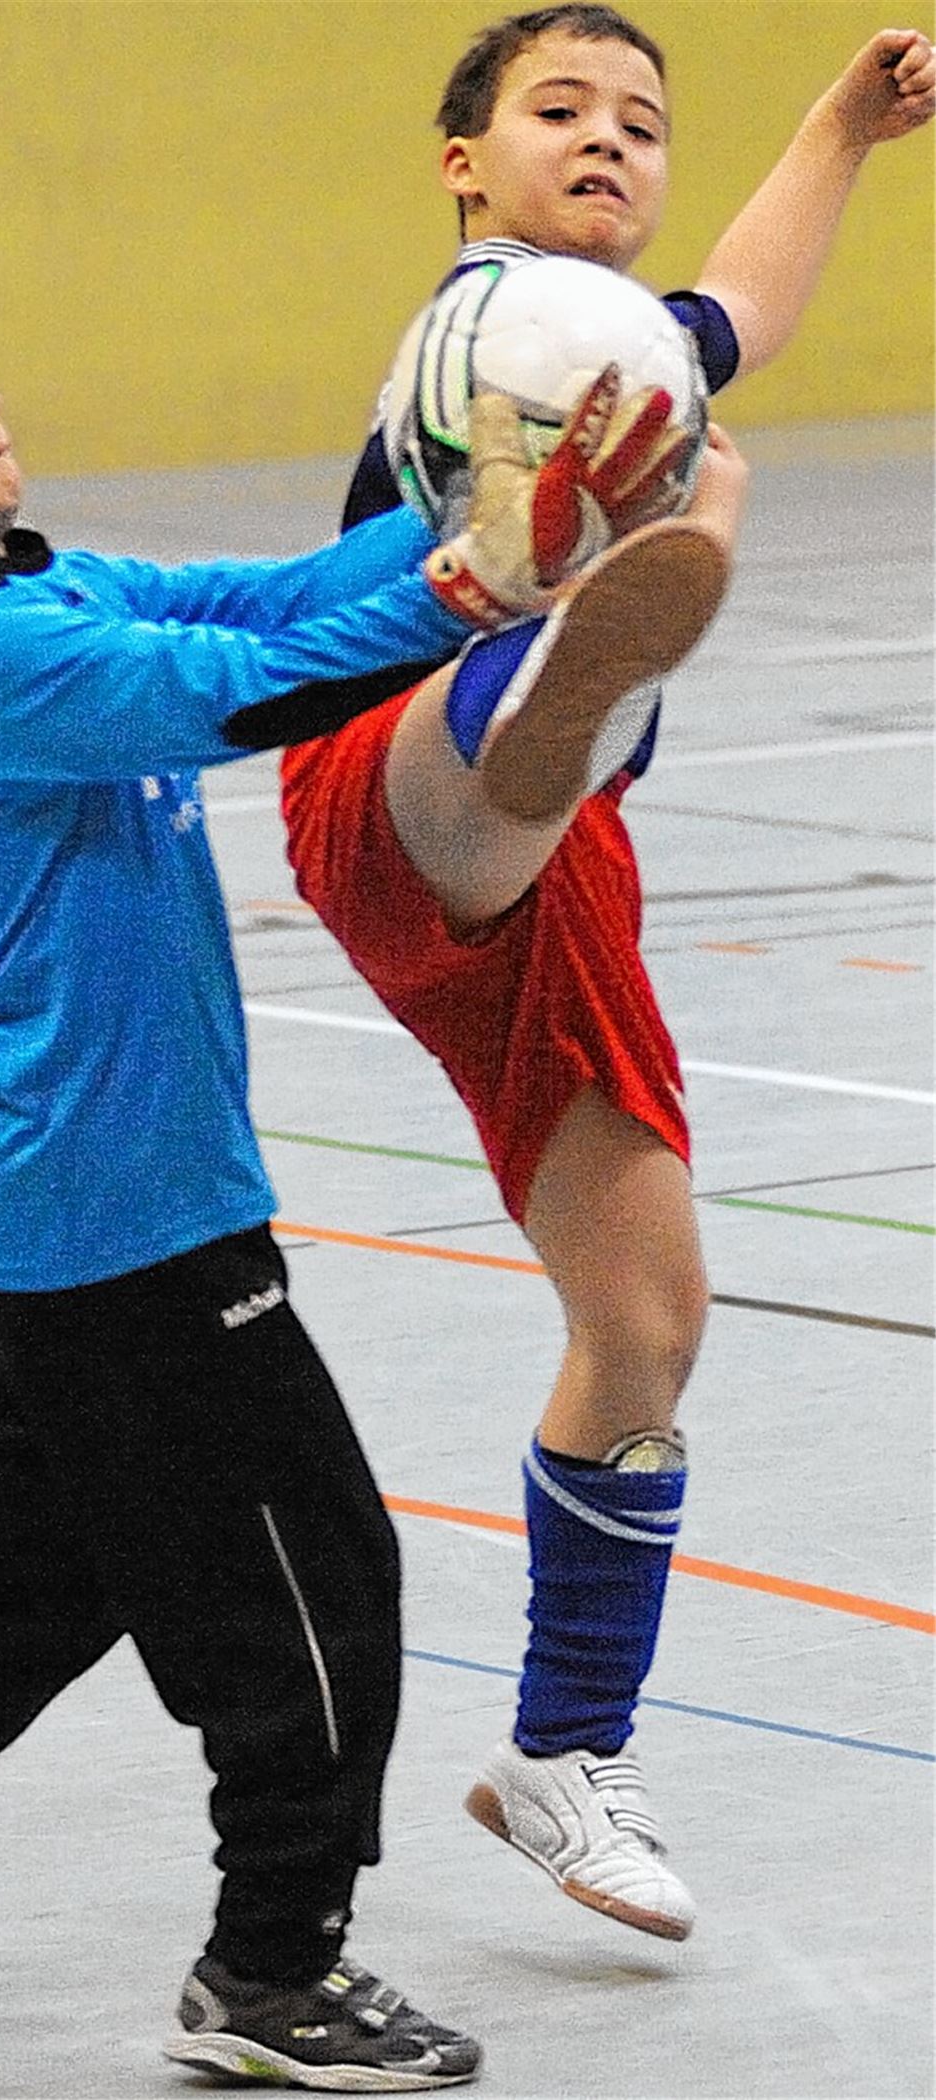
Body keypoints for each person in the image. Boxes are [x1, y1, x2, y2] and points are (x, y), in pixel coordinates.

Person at [0, 280, 745, 2086]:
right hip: (135, 1232)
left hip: (61, 1217)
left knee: (19, 1600)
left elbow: (262, 601)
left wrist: (460, 514)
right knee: (320, 1595)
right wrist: (487, 582)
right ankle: (272, 1969)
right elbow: (248, 689)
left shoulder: (30, 592)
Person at [280, 7, 935, 1944]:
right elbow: (639, 351)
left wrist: (847, 122)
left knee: (647, 1320)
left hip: (560, 869)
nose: (611, 142)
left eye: (643, 122)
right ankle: (572, 681)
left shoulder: (639, 348)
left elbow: (739, 304)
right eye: (559, 109)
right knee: (509, 735)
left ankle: (564, 1755)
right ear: (462, 163)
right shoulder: (497, 325)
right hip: (390, 776)